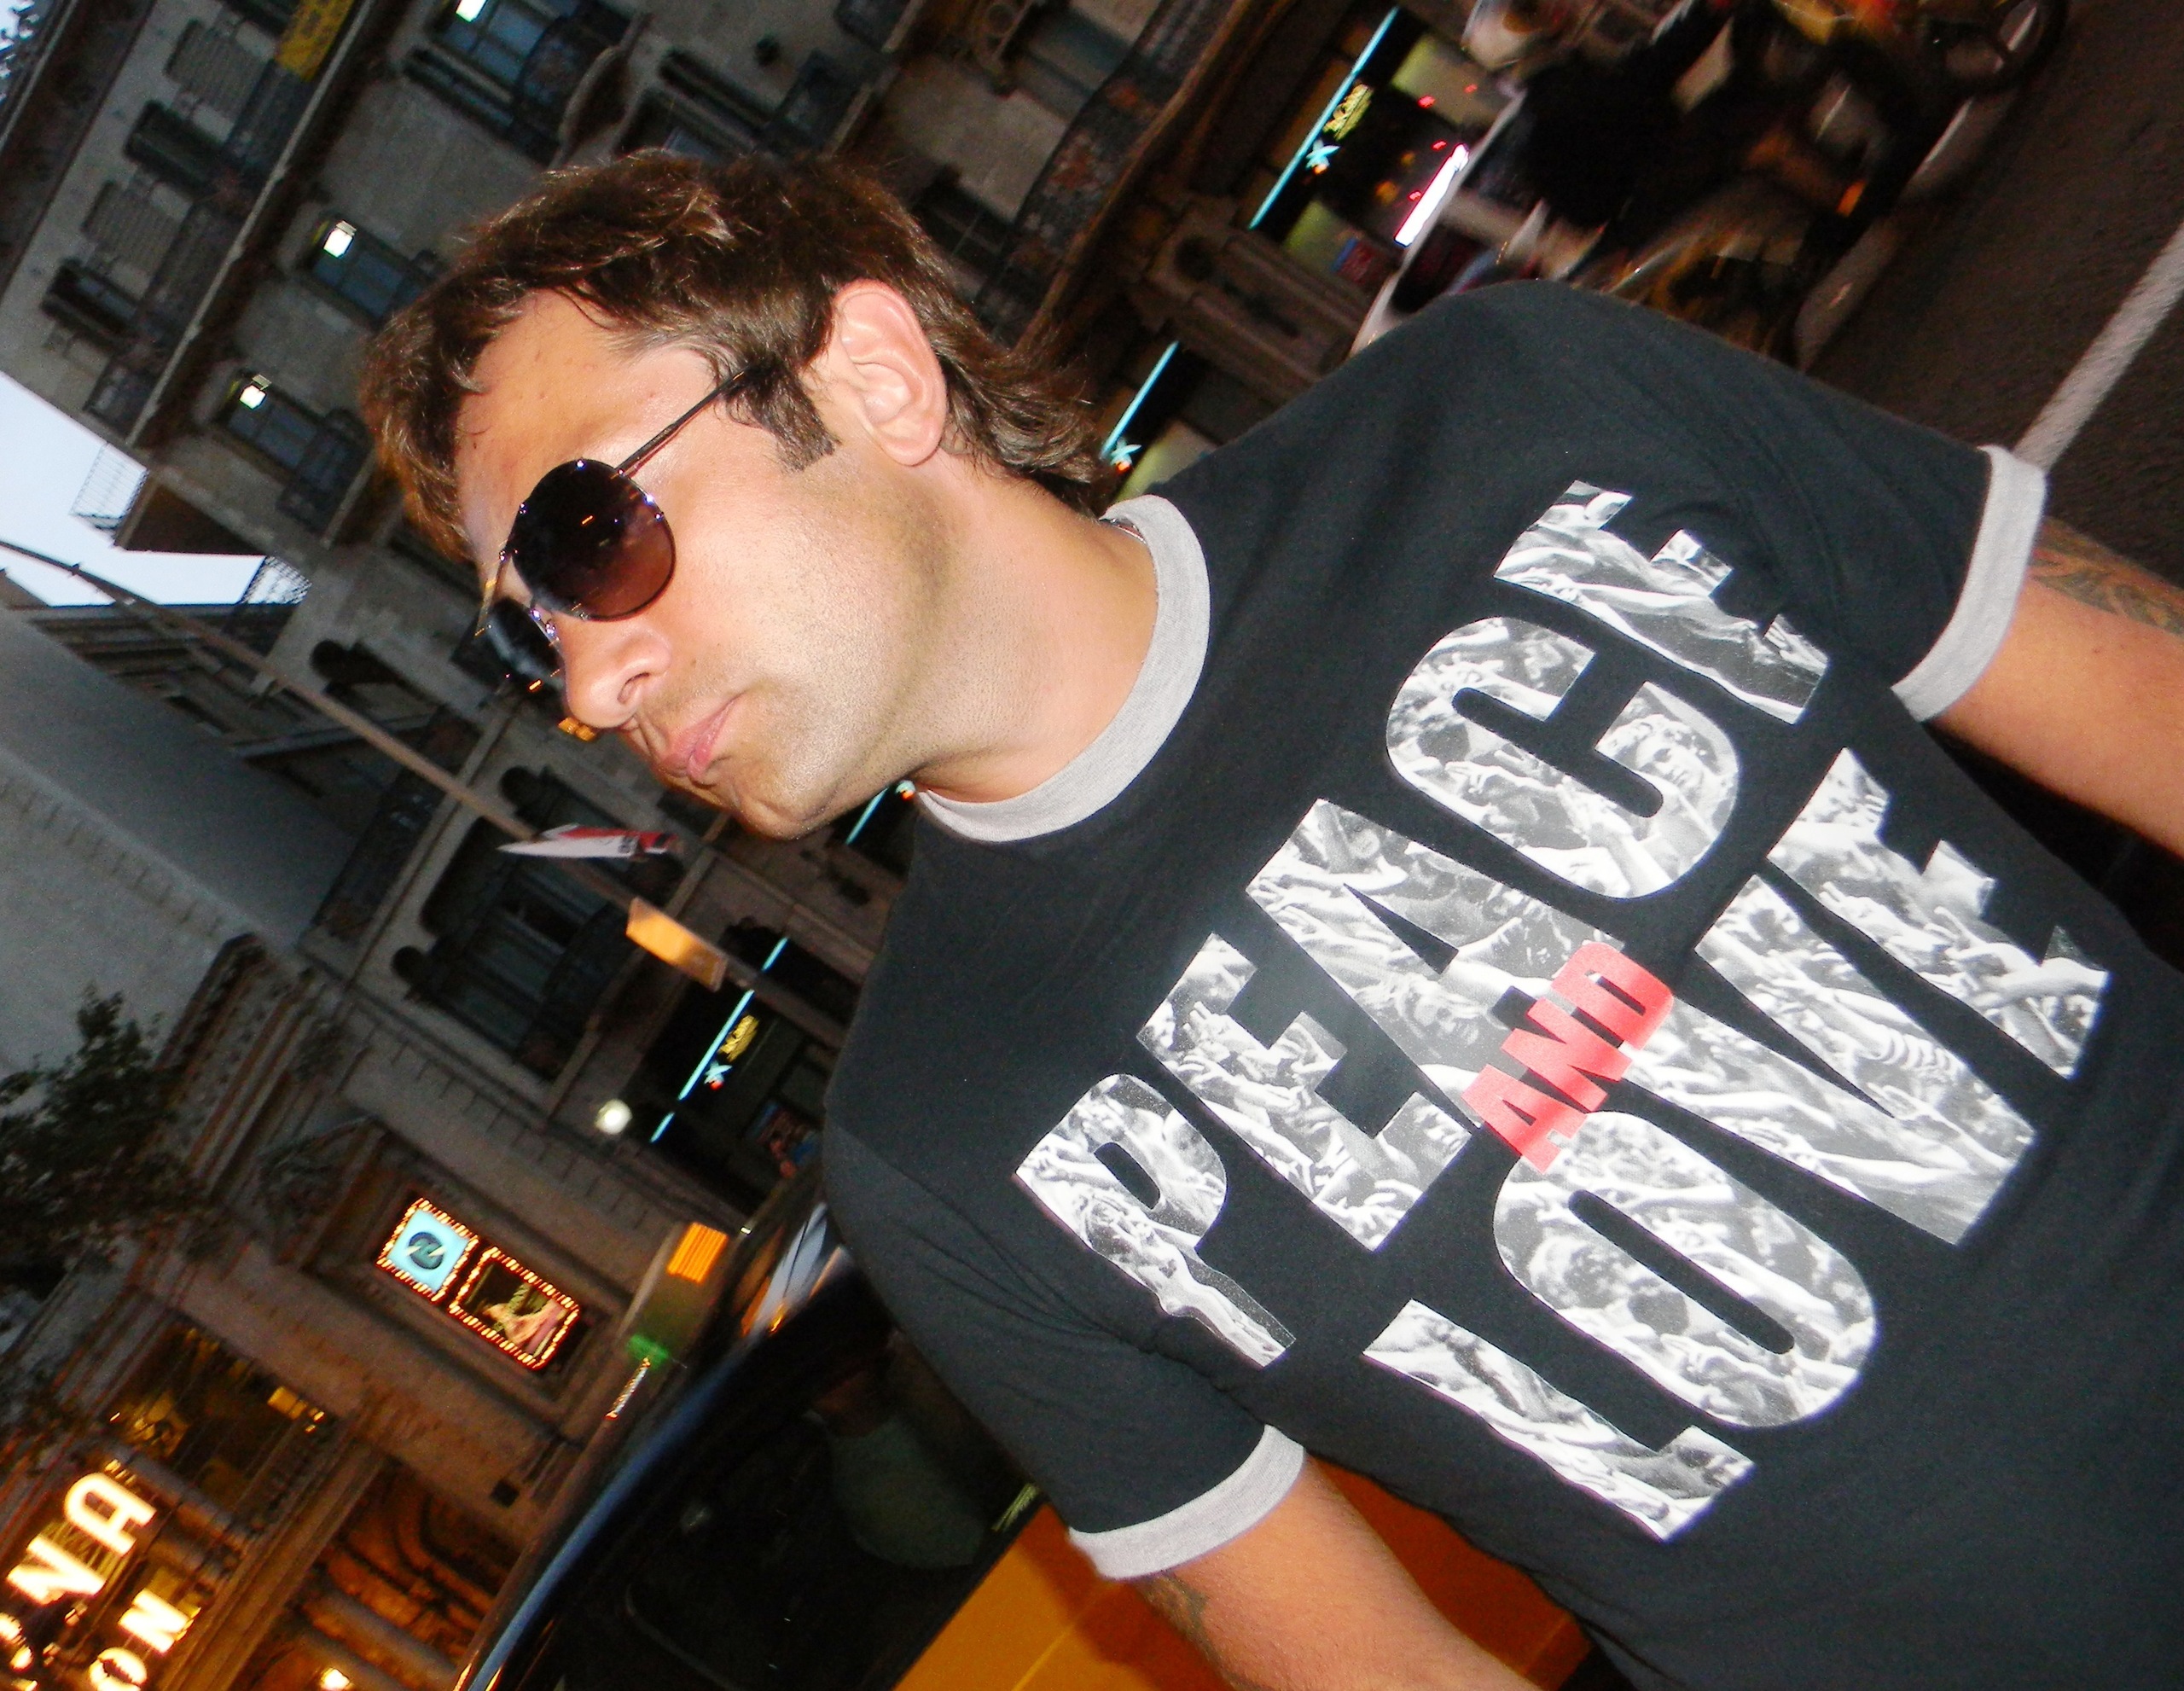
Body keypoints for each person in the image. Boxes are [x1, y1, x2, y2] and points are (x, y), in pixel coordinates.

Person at [361, 152, 2184, 1690]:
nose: (587, 685)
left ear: (874, 380)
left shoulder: (1507, 408)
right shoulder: (930, 1150)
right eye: (531, 635)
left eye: (588, 537)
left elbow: (2138, 697)